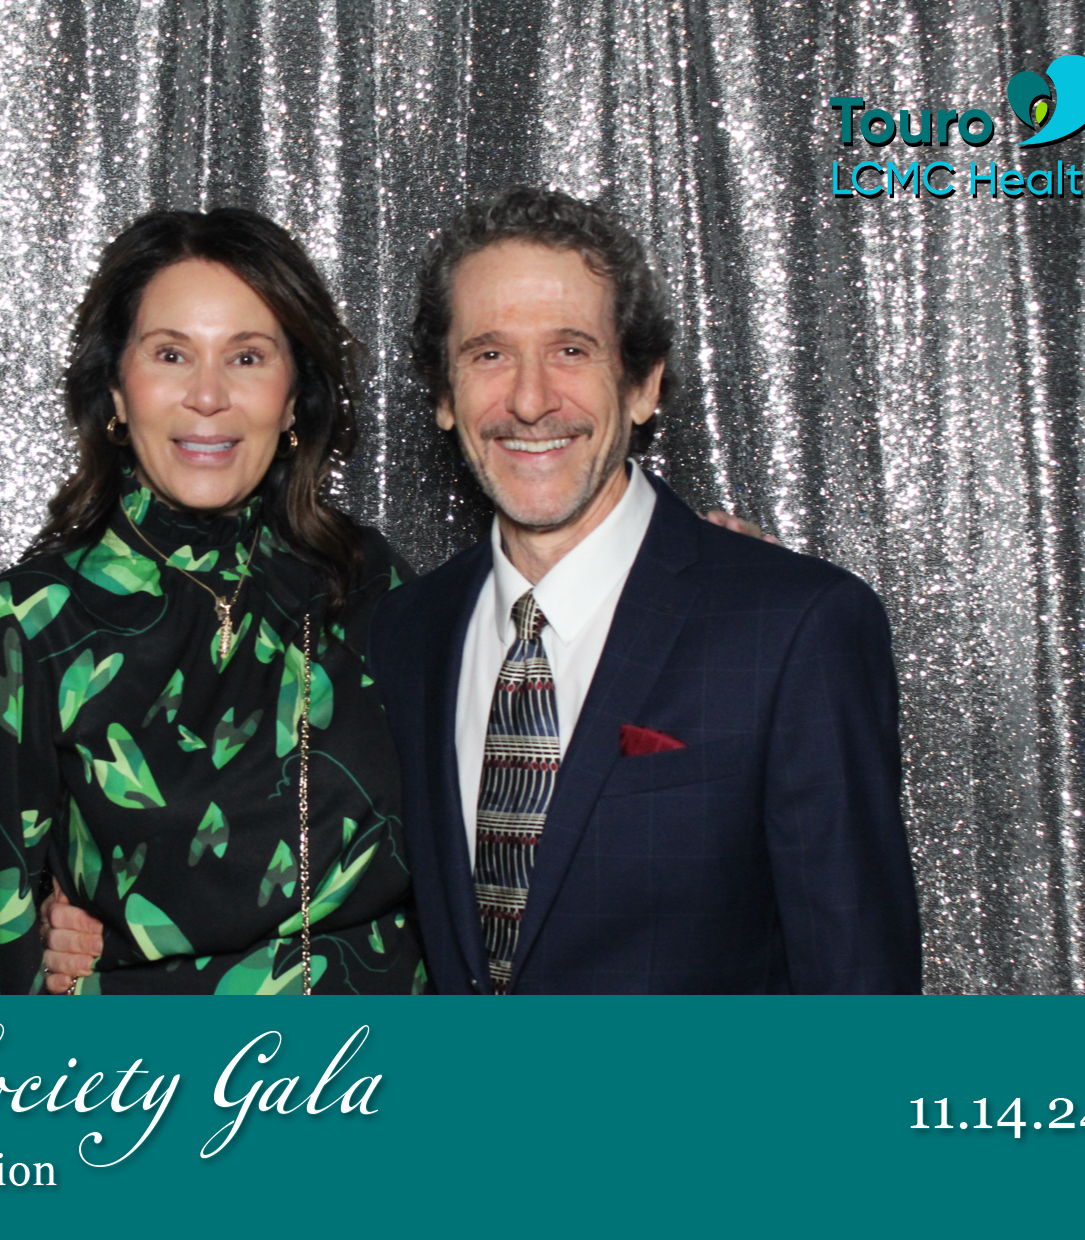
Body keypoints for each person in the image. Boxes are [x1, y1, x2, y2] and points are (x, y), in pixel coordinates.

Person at [367, 186, 921, 993]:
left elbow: (857, 983)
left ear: (643, 385)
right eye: (489, 355)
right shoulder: (404, 632)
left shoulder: (793, 627)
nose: (529, 400)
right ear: (444, 397)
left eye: (571, 350)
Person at [0, 209, 425, 994]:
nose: (208, 395)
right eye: (171, 354)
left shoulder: (373, 583)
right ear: (116, 390)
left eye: (247, 357)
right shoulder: (32, 623)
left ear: (294, 398)